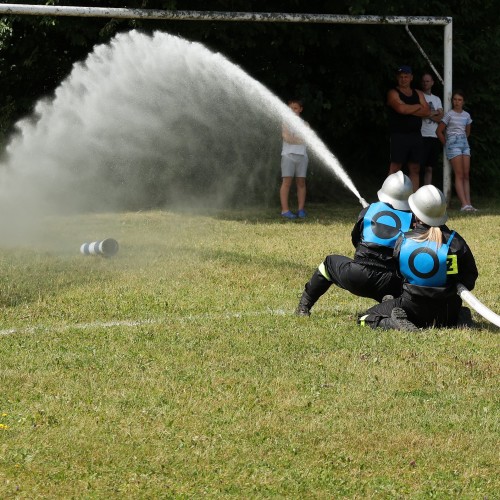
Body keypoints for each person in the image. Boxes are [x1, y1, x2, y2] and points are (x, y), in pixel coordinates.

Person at [358, 185, 478, 331]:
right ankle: (460, 318)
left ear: (415, 213)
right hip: (448, 311)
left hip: (412, 310)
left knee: (364, 319)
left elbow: (398, 275)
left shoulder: (403, 240)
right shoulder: (456, 241)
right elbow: (469, 279)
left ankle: (392, 323)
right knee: (458, 311)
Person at [295, 171, 414, 316]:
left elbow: (355, 240)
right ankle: (389, 301)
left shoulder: (368, 211)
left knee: (328, 264)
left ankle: (303, 307)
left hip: (358, 276)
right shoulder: (412, 219)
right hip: (391, 281)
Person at [387, 65, 431, 192]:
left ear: (411, 78)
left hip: (416, 135)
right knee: (395, 167)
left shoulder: (418, 93)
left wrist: (408, 109)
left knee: (415, 168)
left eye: (406, 77)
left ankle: (414, 200)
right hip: (399, 135)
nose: (403, 79)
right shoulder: (393, 93)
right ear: (397, 78)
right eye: (401, 77)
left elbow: (427, 111)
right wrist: (418, 106)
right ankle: (387, 198)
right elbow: (401, 109)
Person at [436, 90, 477, 212]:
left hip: (464, 144)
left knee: (466, 174)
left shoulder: (466, 115)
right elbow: (439, 131)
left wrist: (462, 140)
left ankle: (469, 204)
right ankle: (464, 204)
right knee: (459, 174)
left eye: (459, 100)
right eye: (455, 99)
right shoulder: (449, 115)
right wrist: (447, 143)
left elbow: (467, 131)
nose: (457, 102)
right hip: (453, 144)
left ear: (463, 102)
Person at [280, 99, 309, 219]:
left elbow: (306, 139)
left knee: (301, 183)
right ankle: (285, 211)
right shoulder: (286, 122)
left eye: (295, 108)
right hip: (288, 156)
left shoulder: (305, 124)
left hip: (302, 156)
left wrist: (294, 138)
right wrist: (298, 139)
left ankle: (301, 210)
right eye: (290, 108)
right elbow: (287, 138)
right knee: (286, 182)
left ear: (300, 109)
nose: (292, 111)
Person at [420, 73, 444, 185]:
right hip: (422, 135)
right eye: (424, 81)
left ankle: (427, 192)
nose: (425, 83)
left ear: (432, 83)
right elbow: (420, 114)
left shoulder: (437, 99)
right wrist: (434, 113)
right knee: (418, 166)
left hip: (434, 136)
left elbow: (441, 118)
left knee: (429, 168)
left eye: (428, 81)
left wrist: (428, 113)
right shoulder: (419, 96)